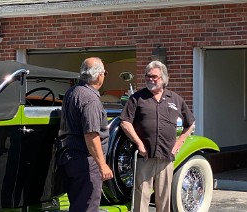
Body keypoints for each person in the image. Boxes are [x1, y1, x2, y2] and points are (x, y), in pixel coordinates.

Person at [120, 60, 195, 212]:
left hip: (166, 157)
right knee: (141, 197)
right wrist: (139, 144)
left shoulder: (175, 99)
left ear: (164, 78)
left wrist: (178, 145)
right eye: (148, 76)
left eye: (154, 76)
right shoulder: (137, 98)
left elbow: (191, 124)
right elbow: (125, 122)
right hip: (144, 156)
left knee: (164, 199)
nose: (150, 79)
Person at [58, 57, 113, 212]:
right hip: (86, 162)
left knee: (77, 206)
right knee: (87, 207)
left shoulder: (72, 92)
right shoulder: (90, 99)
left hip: (69, 158)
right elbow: (91, 135)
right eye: (105, 73)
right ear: (99, 75)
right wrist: (102, 165)